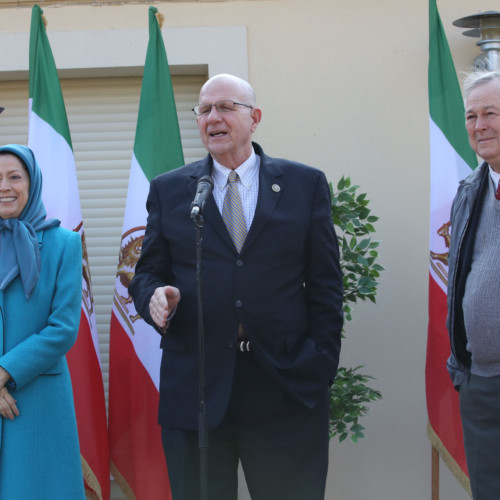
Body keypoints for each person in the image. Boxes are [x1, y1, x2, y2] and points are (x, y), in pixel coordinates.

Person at [129, 74, 343, 500]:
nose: (213, 118)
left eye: (225, 107)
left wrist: (318, 364)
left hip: (284, 383)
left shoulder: (304, 184)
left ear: (254, 118)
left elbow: (325, 285)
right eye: (204, 110)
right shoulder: (171, 190)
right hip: (198, 387)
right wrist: (154, 296)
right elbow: (147, 273)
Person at [0, 145, 85, 499]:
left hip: (34, 398)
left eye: (14, 177)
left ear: (32, 183)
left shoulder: (64, 243)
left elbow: (63, 328)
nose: (4, 186)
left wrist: (4, 373)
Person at [447, 71, 500, 499]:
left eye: (491, 113)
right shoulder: (469, 190)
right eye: (471, 116)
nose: (479, 125)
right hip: (481, 383)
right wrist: (463, 371)